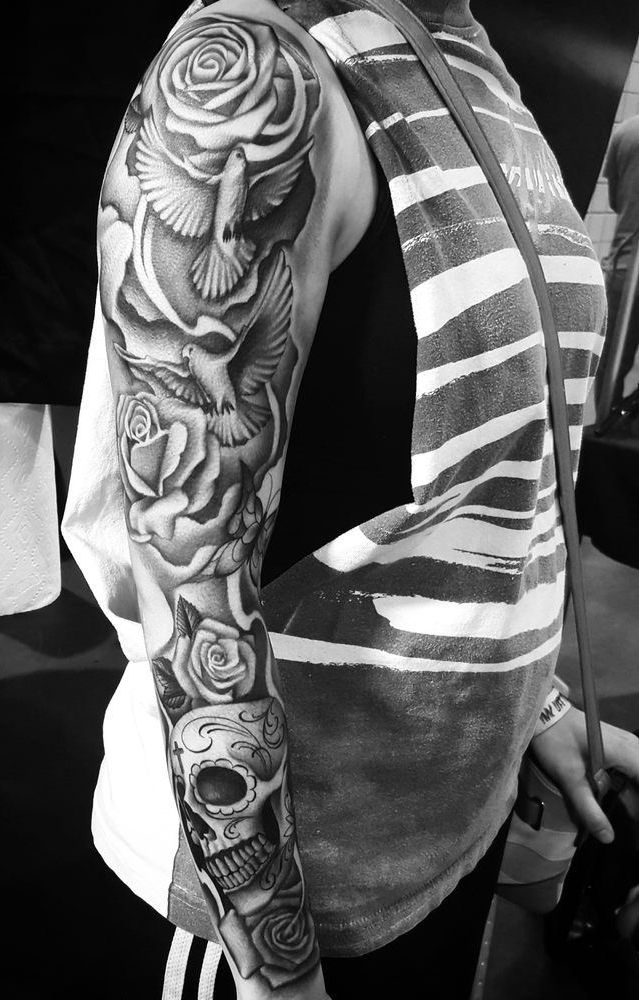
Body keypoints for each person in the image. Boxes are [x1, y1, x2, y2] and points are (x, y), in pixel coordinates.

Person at [62, 1, 639, 996]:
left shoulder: (465, 56)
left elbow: (501, 481)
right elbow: (191, 577)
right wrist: (275, 963)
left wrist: (533, 705)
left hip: (452, 819)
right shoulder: (252, 77)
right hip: (286, 889)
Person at [600, 113, 639, 405]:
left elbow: (615, 202)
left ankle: (606, 423)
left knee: (611, 365)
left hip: (624, 268)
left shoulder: (626, 131)